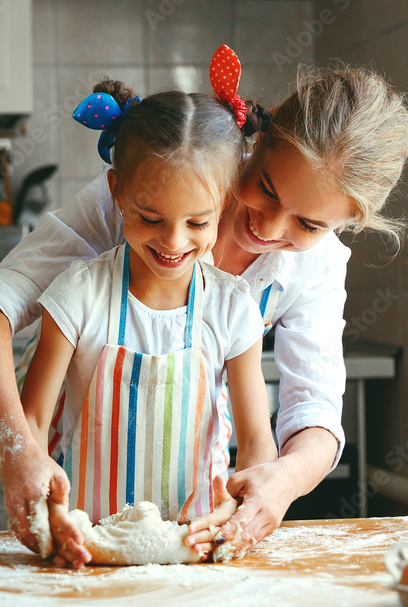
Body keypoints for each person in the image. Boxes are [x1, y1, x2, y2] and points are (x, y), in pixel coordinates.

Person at [0, 52, 408, 568]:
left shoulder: (317, 267)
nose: (269, 227)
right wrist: (19, 451)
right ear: (257, 143)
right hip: (54, 494)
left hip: (188, 522)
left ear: (344, 222)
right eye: (265, 187)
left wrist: (279, 483)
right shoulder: (145, 196)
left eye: (308, 225)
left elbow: (313, 407)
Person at [20, 81, 277, 546]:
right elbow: (33, 423)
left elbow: (257, 439)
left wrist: (246, 507)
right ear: (117, 191)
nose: (174, 242)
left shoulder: (233, 306)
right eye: (151, 218)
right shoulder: (79, 295)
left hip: (196, 543)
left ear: (226, 202)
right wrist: (48, 511)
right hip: (88, 543)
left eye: (198, 222)